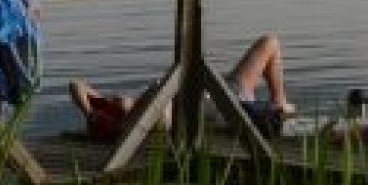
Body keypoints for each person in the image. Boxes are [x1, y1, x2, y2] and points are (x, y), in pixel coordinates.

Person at [66, 34, 293, 141]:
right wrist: (112, 123)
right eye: (118, 101)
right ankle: (279, 105)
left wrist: (90, 113)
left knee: (269, 42)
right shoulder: (139, 123)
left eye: (114, 99)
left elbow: (76, 84)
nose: (117, 98)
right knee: (269, 44)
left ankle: (279, 101)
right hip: (224, 104)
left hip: (219, 89)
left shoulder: (103, 111)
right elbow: (157, 89)